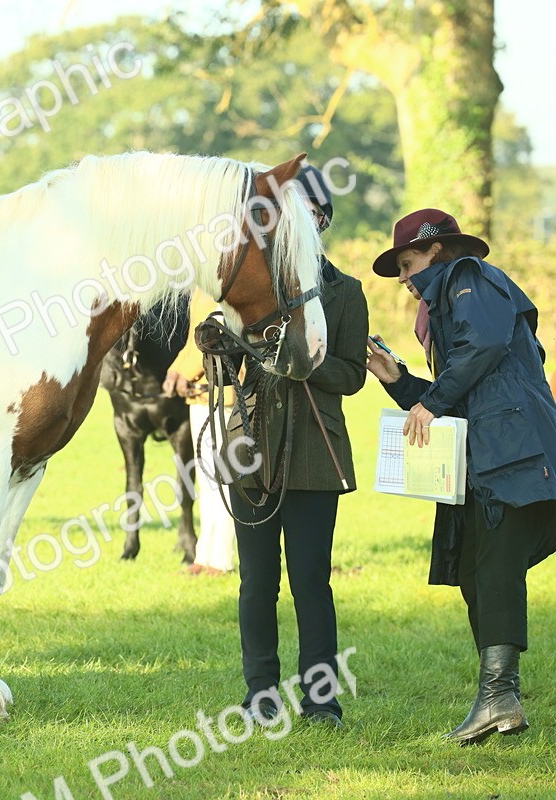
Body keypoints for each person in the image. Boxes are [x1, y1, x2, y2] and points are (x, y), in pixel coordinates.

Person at [366, 207, 556, 744]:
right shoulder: (444, 303)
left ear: (437, 251)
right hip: (492, 454)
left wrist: (435, 399)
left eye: (407, 264)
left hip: (514, 452)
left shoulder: (467, 276)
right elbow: (452, 395)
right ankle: (501, 698)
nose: (403, 279)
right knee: (476, 570)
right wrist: (398, 381)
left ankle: (498, 697)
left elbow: (486, 348)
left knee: (492, 566)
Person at [218, 166, 368, 727]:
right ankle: (260, 693)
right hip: (249, 447)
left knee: (311, 581)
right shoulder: (249, 283)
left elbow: (352, 373)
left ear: (322, 222)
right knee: (256, 581)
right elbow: (225, 359)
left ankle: (320, 698)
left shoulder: (345, 292)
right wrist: (222, 347)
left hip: (314, 451)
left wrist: (302, 359)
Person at [163, 292, 238, 576]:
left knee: (222, 480)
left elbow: (211, 335)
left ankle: (221, 559)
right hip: (201, 396)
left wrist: (182, 372)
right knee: (207, 480)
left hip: (224, 393)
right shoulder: (200, 287)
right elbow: (191, 341)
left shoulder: (220, 284)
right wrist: (175, 371)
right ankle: (204, 555)